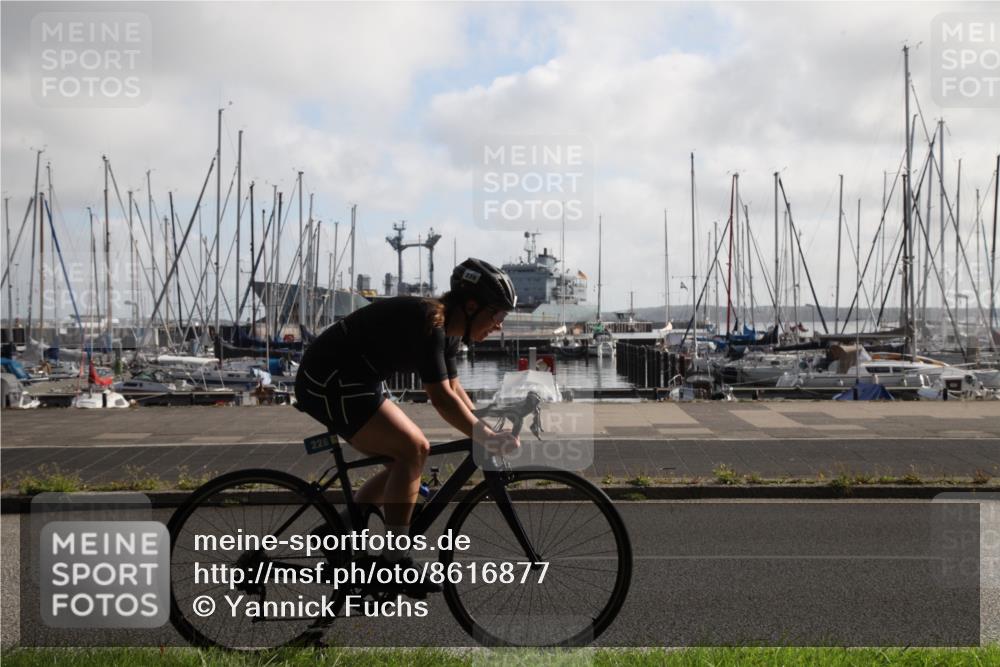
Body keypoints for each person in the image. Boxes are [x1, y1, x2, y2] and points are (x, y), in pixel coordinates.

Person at [294, 258, 520, 580]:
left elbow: (454, 389)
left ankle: (338, 530)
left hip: (355, 381)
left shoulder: (449, 330)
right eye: (498, 315)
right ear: (472, 306)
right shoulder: (430, 323)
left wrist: (486, 427)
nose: (499, 325)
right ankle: (394, 561)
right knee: (413, 449)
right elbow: (441, 399)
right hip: (327, 381)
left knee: (403, 461)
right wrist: (486, 436)